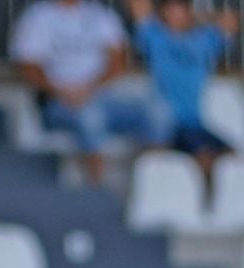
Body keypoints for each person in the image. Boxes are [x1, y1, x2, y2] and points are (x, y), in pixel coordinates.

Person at [10, 0, 165, 183]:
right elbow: (27, 65)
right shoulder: (38, 16)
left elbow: (119, 59)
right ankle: (97, 189)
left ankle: (149, 185)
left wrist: (90, 89)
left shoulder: (99, 15)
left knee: (157, 113)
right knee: (90, 116)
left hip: (101, 96)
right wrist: (61, 91)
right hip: (58, 102)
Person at [128, 0, 239, 176]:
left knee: (232, 156)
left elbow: (231, 20)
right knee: (204, 156)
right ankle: (201, 201)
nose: (175, 16)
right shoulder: (155, 37)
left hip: (195, 122)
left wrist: (199, 17)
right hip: (169, 124)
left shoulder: (204, 40)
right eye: (170, 11)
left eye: (180, 11)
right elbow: (137, 5)